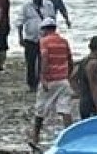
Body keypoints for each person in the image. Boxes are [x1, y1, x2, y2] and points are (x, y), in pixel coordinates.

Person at [29, 18, 74, 149]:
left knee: (41, 108)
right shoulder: (64, 41)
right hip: (63, 80)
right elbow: (70, 60)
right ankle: (71, 137)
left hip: (50, 80)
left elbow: (44, 58)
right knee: (65, 109)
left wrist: (43, 77)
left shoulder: (44, 42)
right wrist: (68, 75)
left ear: (45, 29)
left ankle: (35, 137)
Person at [17, 0, 56, 91]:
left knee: (44, 61)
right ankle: (31, 85)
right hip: (30, 39)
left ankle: (41, 82)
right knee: (30, 62)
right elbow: (20, 22)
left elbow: (52, 20)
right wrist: (20, 37)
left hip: (45, 39)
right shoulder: (26, 6)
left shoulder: (49, 5)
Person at [75, 36, 97, 119]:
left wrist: (80, 92)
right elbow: (94, 87)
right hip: (91, 104)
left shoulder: (84, 61)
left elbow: (72, 78)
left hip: (85, 101)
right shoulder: (94, 64)